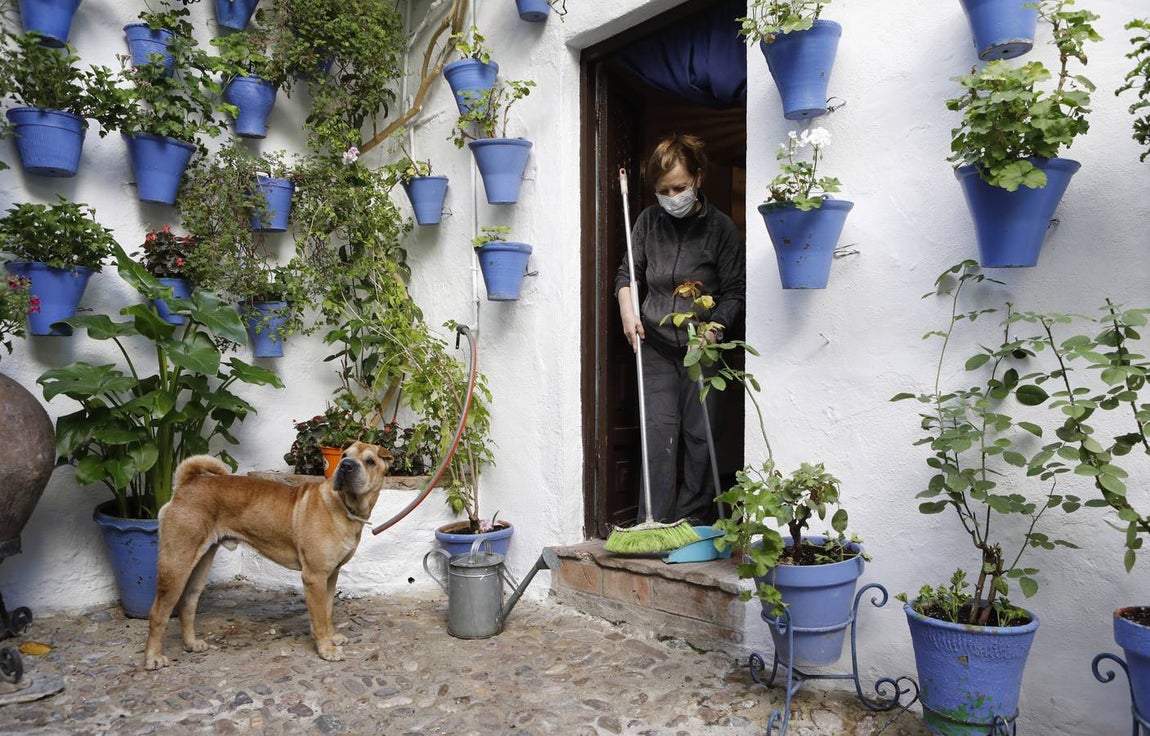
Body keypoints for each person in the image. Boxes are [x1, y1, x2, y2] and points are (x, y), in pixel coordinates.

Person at [614, 133, 746, 525]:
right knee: (657, 435)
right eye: (663, 190)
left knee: (700, 437)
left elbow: (735, 292)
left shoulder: (721, 229)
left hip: (702, 343)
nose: (672, 197)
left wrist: (714, 331)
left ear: (699, 178)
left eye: (680, 187)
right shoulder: (648, 222)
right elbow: (628, 274)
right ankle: (653, 522)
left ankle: (691, 521)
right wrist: (627, 311)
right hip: (654, 342)